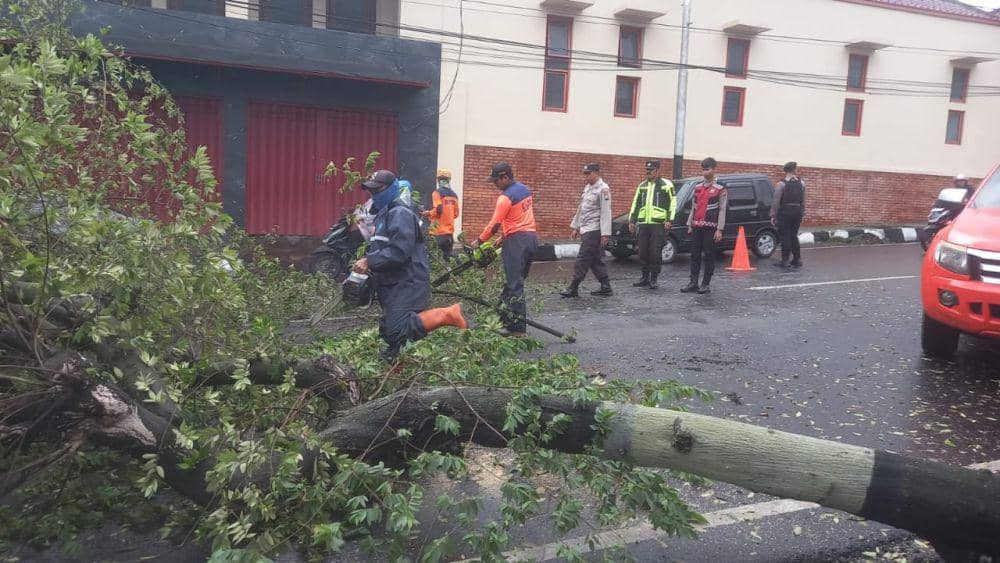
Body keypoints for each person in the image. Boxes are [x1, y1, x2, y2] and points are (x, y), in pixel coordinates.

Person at [351, 169, 467, 360]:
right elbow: (380, 248)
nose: (374, 195)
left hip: (407, 282)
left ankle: (448, 314)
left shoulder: (400, 214)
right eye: (371, 191)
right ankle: (397, 374)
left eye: (378, 190)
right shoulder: (383, 215)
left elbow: (399, 251)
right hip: (392, 284)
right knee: (390, 335)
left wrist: (370, 261)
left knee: (397, 329)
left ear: (392, 189)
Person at [470, 162, 538, 337]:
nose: (495, 185)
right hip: (530, 239)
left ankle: (517, 329)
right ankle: (499, 317)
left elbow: (494, 225)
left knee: (514, 285)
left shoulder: (505, 197)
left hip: (517, 242)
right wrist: (504, 236)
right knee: (513, 282)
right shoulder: (524, 189)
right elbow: (520, 218)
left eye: (496, 181)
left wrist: (479, 240)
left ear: (505, 177)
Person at [561, 163, 613, 298]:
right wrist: (576, 226)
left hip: (594, 229)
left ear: (596, 172)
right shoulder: (588, 188)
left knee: (583, 258)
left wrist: (605, 233)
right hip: (585, 228)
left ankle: (573, 286)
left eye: (588, 173)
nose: (586, 176)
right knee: (595, 258)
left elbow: (606, 212)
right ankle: (605, 285)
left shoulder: (603, 189)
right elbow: (581, 209)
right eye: (585, 173)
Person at [682, 157, 727, 295]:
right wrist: (690, 224)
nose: (704, 172)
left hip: (711, 227)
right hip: (697, 226)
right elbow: (694, 207)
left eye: (707, 169)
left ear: (714, 169)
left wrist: (719, 229)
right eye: (703, 169)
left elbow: (722, 209)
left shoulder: (720, 188)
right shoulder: (698, 187)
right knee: (694, 255)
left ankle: (705, 284)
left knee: (709, 255)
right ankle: (693, 282)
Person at [627, 160, 675, 289]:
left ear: (658, 171)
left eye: (651, 170)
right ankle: (644, 277)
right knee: (642, 251)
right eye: (647, 170)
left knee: (655, 252)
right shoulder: (642, 185)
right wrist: (632, 220)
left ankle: (654, 279)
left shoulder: (666, 185)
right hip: (643, 223)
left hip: (658, 224)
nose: (648, 173)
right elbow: (635, 204)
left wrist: (670, 220)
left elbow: (673, 203)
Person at [771, 161, 806, 269]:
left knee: (785, 236)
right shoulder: (802, 183)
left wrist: (773, 215)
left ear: (785, 171)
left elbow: (776, 202)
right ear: (795, 170)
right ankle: (797, 259)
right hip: (797, 212)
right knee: (793, 235)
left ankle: (785, 260)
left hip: (785, 212)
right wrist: (802, 212)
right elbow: (803, 200)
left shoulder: (781, 184)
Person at [426, 168, 460, 263]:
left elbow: (438, 209)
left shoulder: (437, 193)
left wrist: (429, 213)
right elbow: (456, 214)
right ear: (449, 180)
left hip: (437, 232)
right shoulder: (454, 195)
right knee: (447, 260)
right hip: (449, 233)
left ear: (438, 180)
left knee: (433, 260)